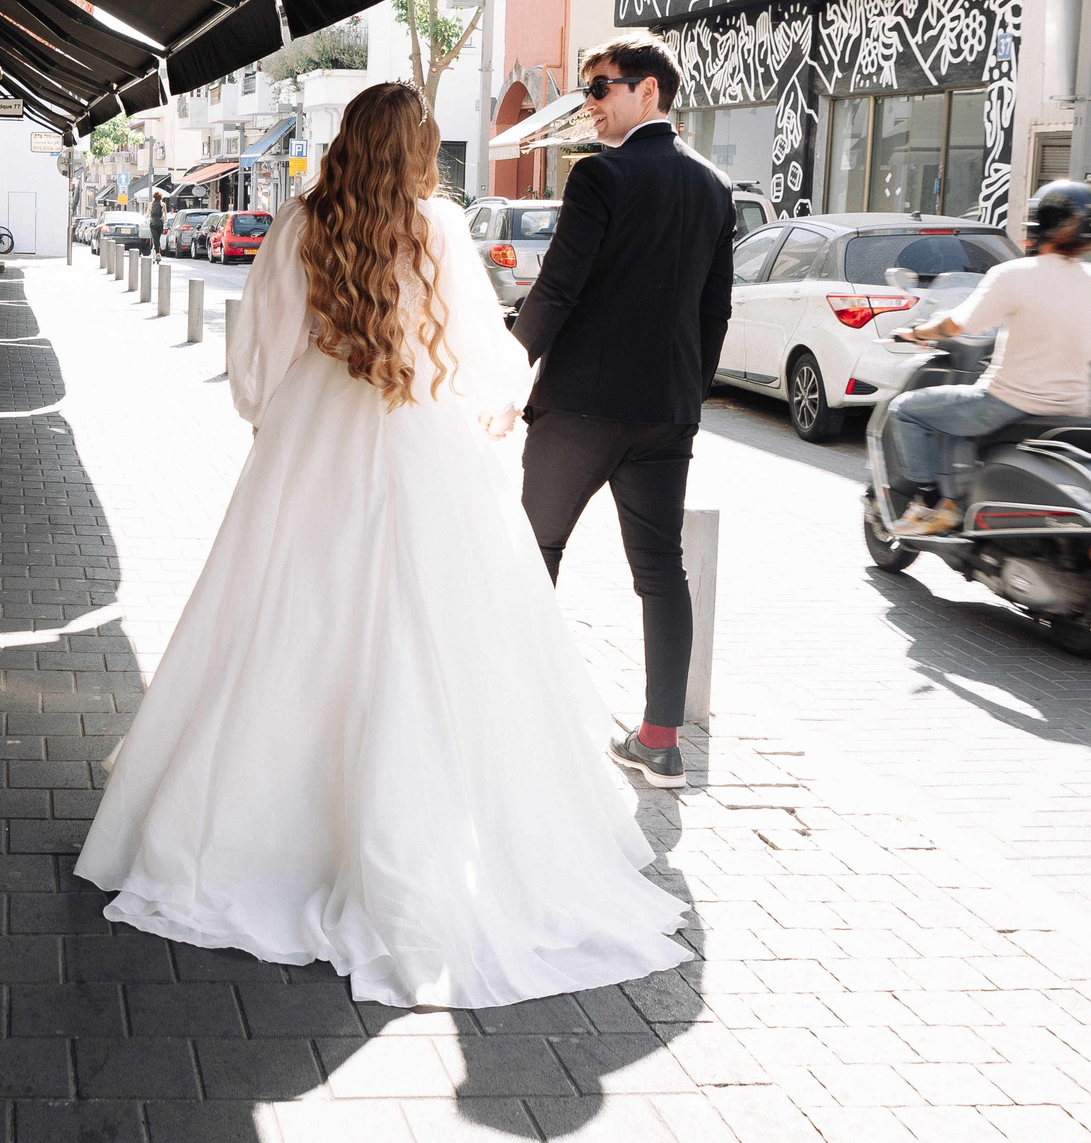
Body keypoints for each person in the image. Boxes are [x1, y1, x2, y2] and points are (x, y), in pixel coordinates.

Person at [76, 82, 690, 1009]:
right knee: (430, 631)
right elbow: (489, 359)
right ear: (416, 149)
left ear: (347, 139)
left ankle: (266, 823)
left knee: (288, 623)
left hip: (314, 438)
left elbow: (258, 355)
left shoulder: (296, 224)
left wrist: (272, 421)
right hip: (423, 436)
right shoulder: (438, 228)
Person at [510, 39, 733, 791]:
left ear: (650, 91)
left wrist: (506, 373)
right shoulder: (713, 185)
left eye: (601, 88)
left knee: (533, 552)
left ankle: (514, 718)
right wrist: (687, 394)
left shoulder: (600, 175)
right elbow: (715, 311)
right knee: (661, 571)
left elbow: (557, 290)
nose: (591, 103)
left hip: (580, 409)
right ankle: (661, 740)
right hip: (665, 413)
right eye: (587, 90)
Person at [884, 180, 1091, 537]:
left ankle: (930, 504)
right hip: (1074, 408)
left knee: (907, 410)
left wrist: (917, 333)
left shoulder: (1014, 274)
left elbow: (957, 324)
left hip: (1010, 402)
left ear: (1042, 224)